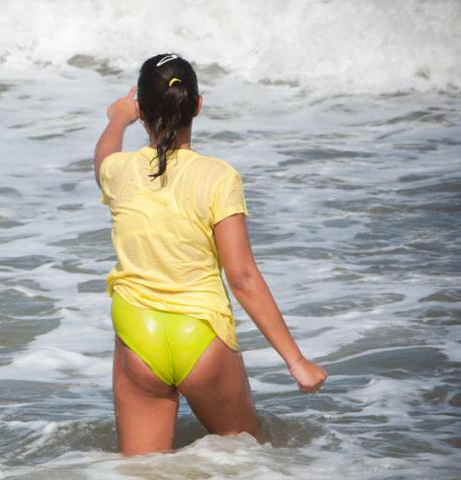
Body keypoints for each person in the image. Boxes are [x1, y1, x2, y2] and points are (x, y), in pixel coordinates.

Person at [94, 54, 327, 456]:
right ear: (198, 106)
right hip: (200, 335)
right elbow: (243, 277)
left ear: (143, 111)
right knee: (247, 468)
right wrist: (296, 361)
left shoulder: (119, 172)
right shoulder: (219, 177)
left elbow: (102, 156)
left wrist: (118, 118)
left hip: (138, 332)